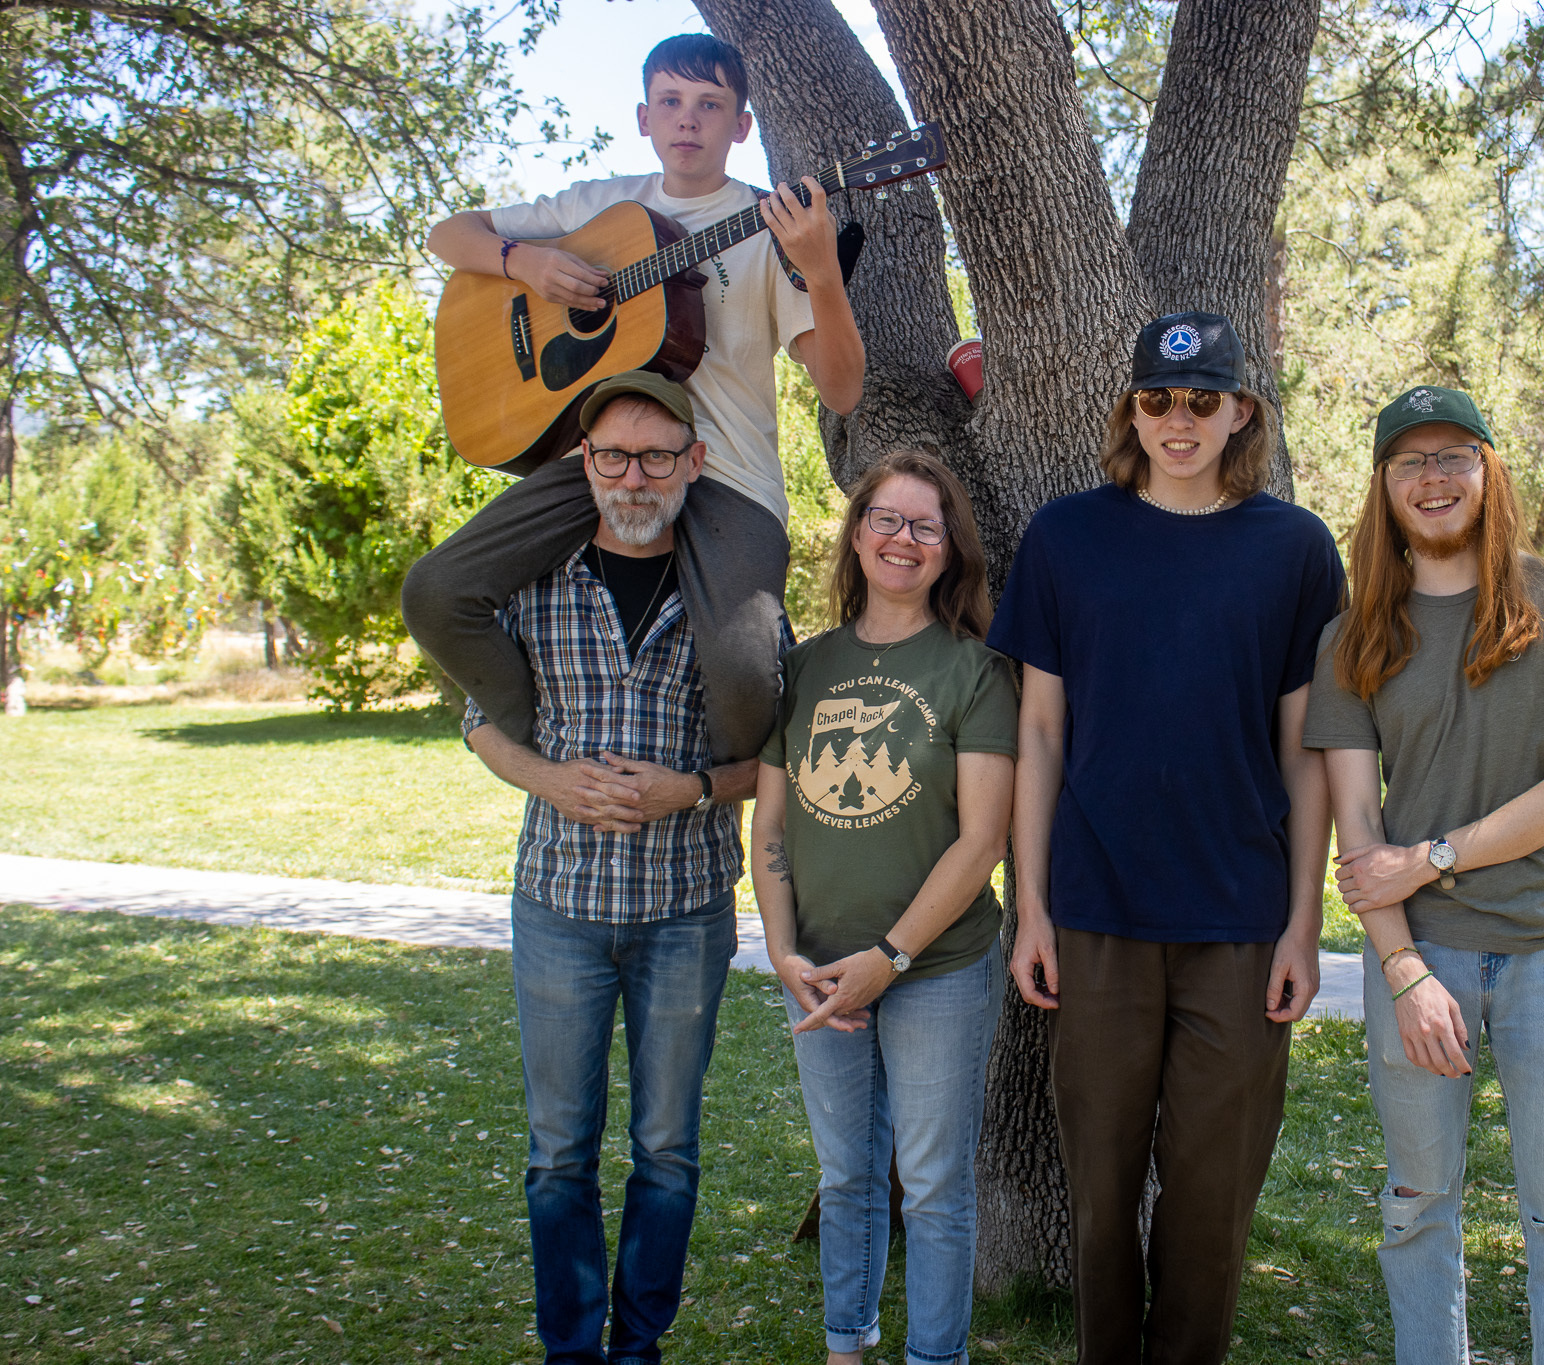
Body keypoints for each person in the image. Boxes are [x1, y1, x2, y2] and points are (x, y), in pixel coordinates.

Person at [988, 312, 1345, 1365]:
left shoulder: (1293, 548)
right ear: (1130, 412)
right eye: (1157, 400)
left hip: (1238, 920)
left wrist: (1300, 923)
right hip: (1093, 911)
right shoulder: (1065, 538)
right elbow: (1039, 733)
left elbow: (1304, 750)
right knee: (1097, 1188)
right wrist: (1031, 908)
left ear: (1242, 411)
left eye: (1202, 401)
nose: (1178, 422)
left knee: (1210, 1191)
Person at [406, 32, 864, 764]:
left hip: (728, 474)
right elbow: (448, 233)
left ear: (741, 126)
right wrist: (528, 264)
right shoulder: (603, 206)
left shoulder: (770, 231)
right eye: (671, 101)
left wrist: (823, 275)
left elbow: (843, 390)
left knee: (747, 676)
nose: (689, 119)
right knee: (435, 592)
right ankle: (552, 753)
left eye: (710, 105)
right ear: (644, 117)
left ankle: (691, 794)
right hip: (603, 458)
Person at [1306, 385, 1544, 1364]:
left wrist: (1435, 855)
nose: (1433, 476)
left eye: (1454, 455)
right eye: (1409, 461)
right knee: (1416, 1208)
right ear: (1383, 487)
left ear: (1490, 472)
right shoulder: (1352, 637)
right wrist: (1403, 973)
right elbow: (1357, 835)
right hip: (1421, 959)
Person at [461, 371, 758, 1365]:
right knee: (558, 1157)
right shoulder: (535, 580)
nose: (636, 478)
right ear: (584, 467)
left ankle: (637, 1346)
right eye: (613, 457)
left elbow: (780, 752)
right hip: (560, 906)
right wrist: (550, 780)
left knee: (666, 1153)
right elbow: (475, 722)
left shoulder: (731, 597)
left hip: (685, 910)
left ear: (694, 464)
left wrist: (692, 790)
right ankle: (568, 1350)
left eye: (657, 456)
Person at [751, 449, 1017, 1365]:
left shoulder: (976, 672)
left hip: (935, 970)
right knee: (848, 1173)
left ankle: (934, 1356)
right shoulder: (803, 667)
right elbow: (772, 824)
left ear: (950, 551)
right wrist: (783, 952)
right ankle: (845, 1346)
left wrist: (891, 957)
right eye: (886, 520)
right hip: (816, 967)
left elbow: (983, 841)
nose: (903, 539)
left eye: (925, 526)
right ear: (857, 533)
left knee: (936, 1184)